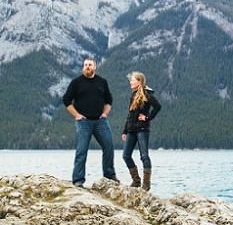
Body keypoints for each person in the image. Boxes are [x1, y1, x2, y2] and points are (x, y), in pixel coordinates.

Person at [62, 58, 118, 186]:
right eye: (85, 65)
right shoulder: (76, 82)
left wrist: (105, 113)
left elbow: (109, 99)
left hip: (100, 122)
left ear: (95, 67)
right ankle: (78, 180)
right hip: (83, 122)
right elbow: (66, 100)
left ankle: (109, 175)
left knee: (109, 145)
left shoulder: (102, 82)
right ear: (83, 67)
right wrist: (76, 115)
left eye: (90, 65)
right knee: (81, 150)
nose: (87, 67)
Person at [121, 72, 162, 191]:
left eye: (133, 80)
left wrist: (147, 117)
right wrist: (125, 130)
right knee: (126, 155)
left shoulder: (147, 94)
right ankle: (136, 180)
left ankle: (146, 184)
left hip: (142, 129)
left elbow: (157, 106)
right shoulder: (133, 95)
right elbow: (130, 114)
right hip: (131, 130)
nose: (130, 82)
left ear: (139, 82)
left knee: (144, 156)